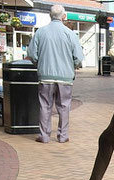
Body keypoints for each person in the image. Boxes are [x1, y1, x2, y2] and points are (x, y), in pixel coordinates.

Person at [27, 5, 84, 143]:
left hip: (45, 76)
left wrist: (39, 64)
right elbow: (78, 58)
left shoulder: (40, 32)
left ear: (49, 15)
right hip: (65, 78)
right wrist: (72, 66)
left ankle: (44, 136)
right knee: (64, 106)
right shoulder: (70, 34)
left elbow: (32, 54)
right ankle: (63, 136)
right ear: (63, 16)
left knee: (45, 105)